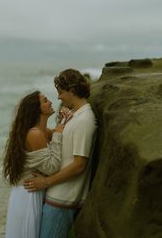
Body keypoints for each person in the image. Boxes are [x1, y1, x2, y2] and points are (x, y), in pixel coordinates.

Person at [24, 69, 97, 238]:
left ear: (72, 91)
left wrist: (46, 181)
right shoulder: (76, 117)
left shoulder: (85, 120)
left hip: (62, 201)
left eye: (60, 93)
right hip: (56, 198)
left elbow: (79, 165)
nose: (58, 98)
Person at [3, 90, 64, 238]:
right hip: (28, 194)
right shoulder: (34, 134)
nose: (50, 102)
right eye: (45, 100)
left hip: (30, 190)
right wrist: (58, 135)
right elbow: (51, 167)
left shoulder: (43, 131)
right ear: (36, 110)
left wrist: (63, 122)